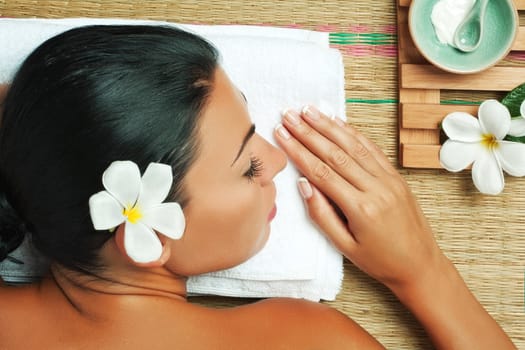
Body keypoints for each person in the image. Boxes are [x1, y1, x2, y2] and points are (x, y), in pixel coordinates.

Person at [0, 25, 516, 349]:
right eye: (248, 167)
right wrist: (424, 271)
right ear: (148, 238)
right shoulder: (302, 342)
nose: (276, 159)